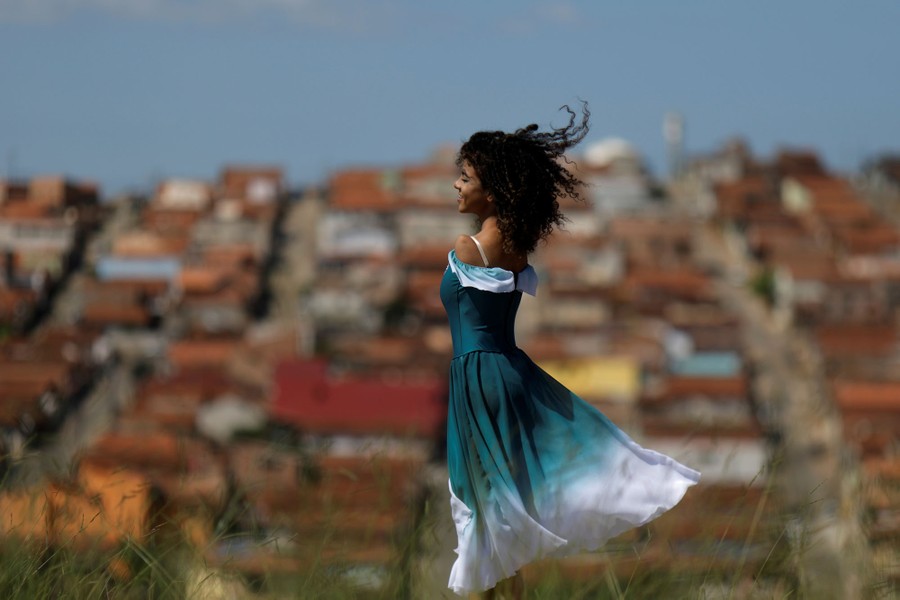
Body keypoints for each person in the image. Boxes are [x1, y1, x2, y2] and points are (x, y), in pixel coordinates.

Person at [440, 104, 701, 598]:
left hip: (477, 377)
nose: (456, 184)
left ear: (491, 191)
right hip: (507, 371)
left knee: (486, 502)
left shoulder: (467, 248)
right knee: (505, 501)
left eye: (465, 176)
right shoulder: (516, 250)